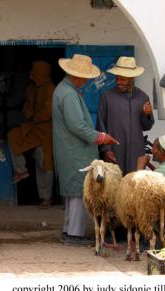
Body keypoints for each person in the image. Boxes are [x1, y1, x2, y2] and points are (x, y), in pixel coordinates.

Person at [53, 54, 119, 245]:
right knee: (78, 192)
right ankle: (75, 235)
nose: (87, 81)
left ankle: (69, 231)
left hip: (71, 149)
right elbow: (76, 126)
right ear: (78, 77)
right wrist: (101, 137)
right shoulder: (68, 93)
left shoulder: (66, 90)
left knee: (73, 193)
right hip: (74, 151)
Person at [7, 61, 55, 209]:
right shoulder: (30, 89)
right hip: (32, 128)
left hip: (47, 131)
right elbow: (27, 109)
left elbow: (48, 113)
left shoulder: (52, 90)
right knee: (13, 136)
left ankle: (46, 197)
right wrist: (31, 114)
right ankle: (21, 171)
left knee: (44, 160)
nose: (31, 75)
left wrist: (35, 115)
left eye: (34, 72)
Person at [96, 56, 154, 175]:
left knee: (134, 186)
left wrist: (145, 114)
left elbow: (147, 126)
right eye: (117, 78)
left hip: (136, 152)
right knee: (114, 186)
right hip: (115, 151)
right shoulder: (106, 97)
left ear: (132, 78)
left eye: (122, 79)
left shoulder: (142, 97)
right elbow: (100, 125)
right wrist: (106, 150)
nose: (118, 82)